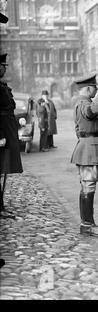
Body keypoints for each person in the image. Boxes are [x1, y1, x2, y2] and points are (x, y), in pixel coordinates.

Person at [70, 74, 98, 237]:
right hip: (89, 149)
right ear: (88, 88)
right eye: (95, 87)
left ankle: (87, 223)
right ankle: (87, 225)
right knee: (88, 186)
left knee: (87, 186)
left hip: (87, 147)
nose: (97, 90)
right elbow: (91, 112)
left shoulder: (80, 102)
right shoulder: (84, 102)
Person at [0, 53, 23, 219]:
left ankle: (1, 207)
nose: (4, 69)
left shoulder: (2, 85)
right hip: (2, 134)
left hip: (7, 131)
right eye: (2, 66)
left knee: (4, 169)